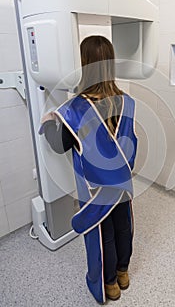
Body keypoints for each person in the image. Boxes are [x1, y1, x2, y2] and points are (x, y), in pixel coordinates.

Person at [40, 35, 138, 304]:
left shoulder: (76, 108)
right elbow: (131, 143)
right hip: (122, 183)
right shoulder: (126, 101)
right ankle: (123, 273)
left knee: (103, 232)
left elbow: (60, 145)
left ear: (85, 65)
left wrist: (49, 120)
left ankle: (110, 285)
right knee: (123, 227)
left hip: (96, 190)